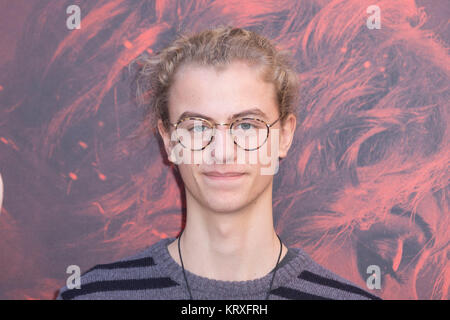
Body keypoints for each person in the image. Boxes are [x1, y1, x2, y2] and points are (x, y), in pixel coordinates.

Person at [57, 26, 380, 300]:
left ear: (284, 136)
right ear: (169, 141)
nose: (222, 152)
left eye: (247, 125)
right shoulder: (92, 296)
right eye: (197, 127)